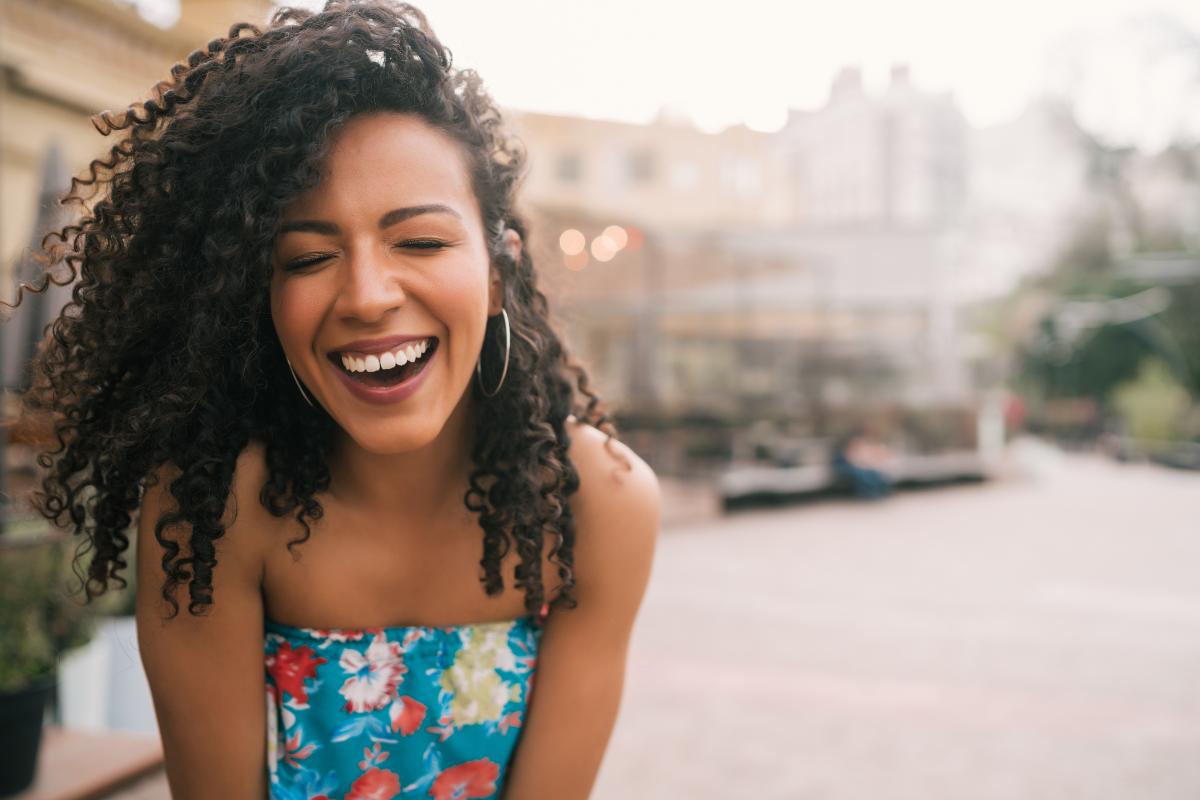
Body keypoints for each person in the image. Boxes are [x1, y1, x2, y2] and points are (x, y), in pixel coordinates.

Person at [10, 2, 660, 797]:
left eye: (420, 241)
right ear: (259, 295)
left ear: (499, 273)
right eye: (308, 258)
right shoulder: (210, 512)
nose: (367, 295)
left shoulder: (598, 503)